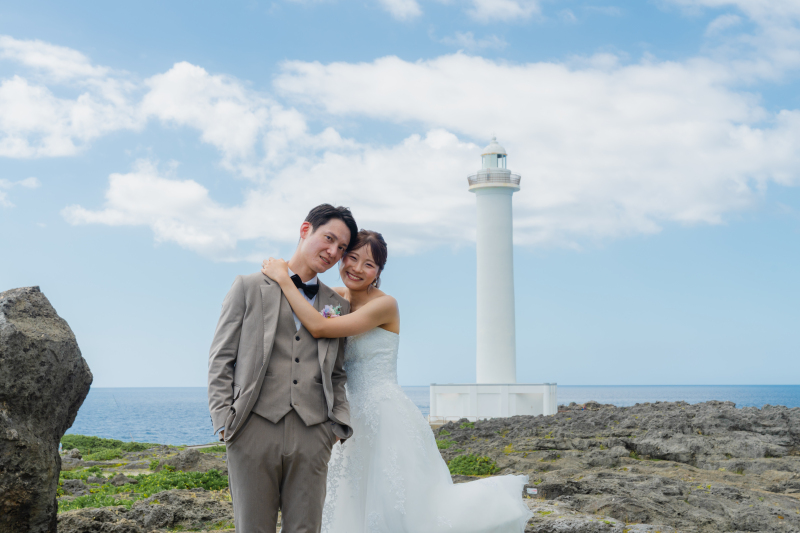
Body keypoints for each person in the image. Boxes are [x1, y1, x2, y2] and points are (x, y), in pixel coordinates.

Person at [261, 229, 533, 533]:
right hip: (348, 416)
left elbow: (320, 327)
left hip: (385, 413)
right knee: (350, 498)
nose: (357, 268)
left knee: (395, 502)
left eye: (369, 264)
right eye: (351, 258)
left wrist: (283, 278)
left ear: (378, 272)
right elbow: (302, 314)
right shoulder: (334, 298)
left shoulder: (385, 305)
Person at [208, 204, 358, 533]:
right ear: (306, 230)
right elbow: (222, 358)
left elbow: (337, 371)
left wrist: (335, 427)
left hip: (314, 432)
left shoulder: (337, 305)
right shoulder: (248, 286)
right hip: (252, 428)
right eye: (328, 239)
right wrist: (224, 423)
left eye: (342, 248)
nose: (333, 252)